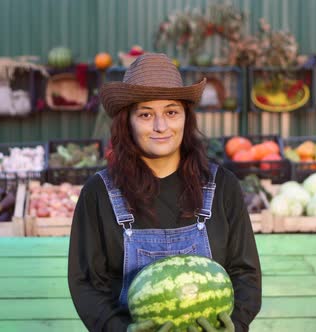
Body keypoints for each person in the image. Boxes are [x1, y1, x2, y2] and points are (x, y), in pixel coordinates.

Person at [68, 53, 261, 332]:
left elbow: (246, 274)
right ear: (128, 122)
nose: (160, 126)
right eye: (146, 114)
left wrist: (236, 325)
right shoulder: (99, 193)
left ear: (185, 118)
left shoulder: (222, 186)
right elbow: (85, 282)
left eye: (171, 112)